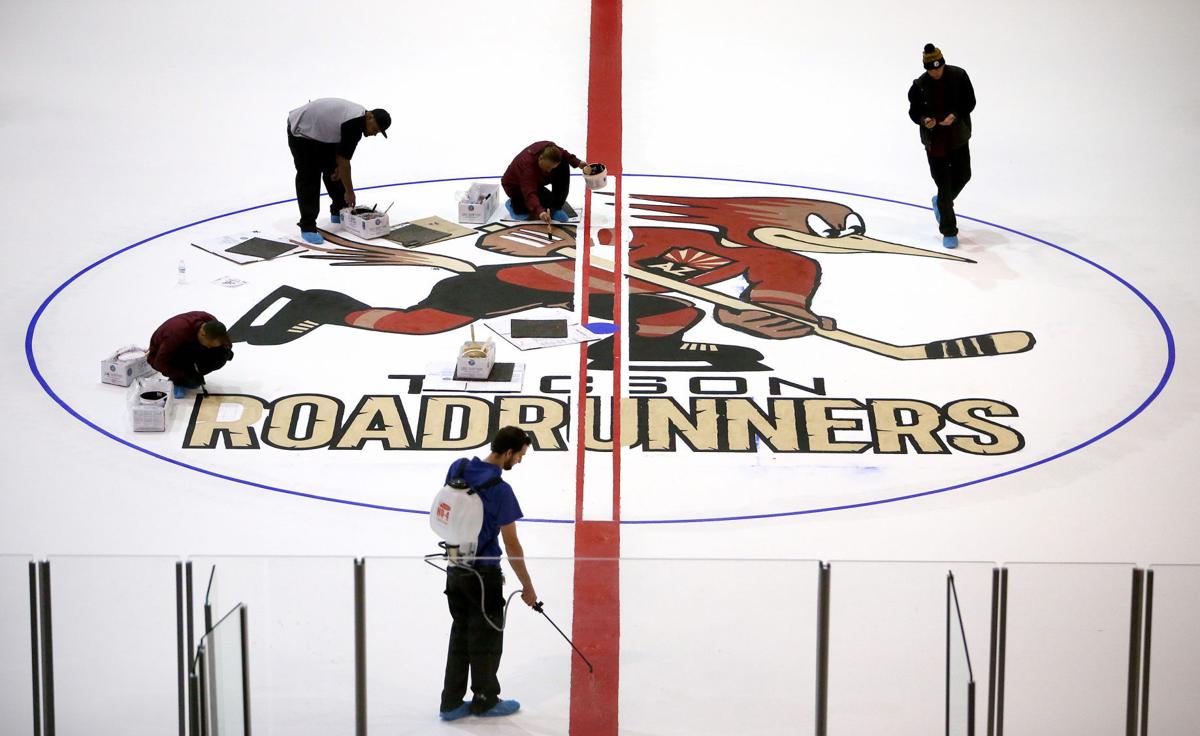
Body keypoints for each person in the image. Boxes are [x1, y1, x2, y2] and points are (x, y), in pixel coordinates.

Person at [439, 426, 537, 721]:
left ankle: (451, 703)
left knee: (460, 633)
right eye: (520, 455)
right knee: (487, 637)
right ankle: (485, 699)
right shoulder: (500, 490)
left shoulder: (460, 467)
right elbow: (512, 545)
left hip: (456, 567)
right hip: (485, 574)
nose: (519, 461)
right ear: (509, 452)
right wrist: (528, 587)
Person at [286, 98, 391, 245]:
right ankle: (307, 226)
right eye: (376, 129)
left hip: (321, 132)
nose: (375, 134)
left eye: (379, 132)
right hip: (302, 132)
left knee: (333, 170)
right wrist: (350, 192)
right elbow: (345, 163)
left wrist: (338, 167)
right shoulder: (354, 123)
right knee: (310, 176)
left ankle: (339, 210)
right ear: (370, 117)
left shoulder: (357, 123)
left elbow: (341, 158)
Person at [907, 43, 976, 249]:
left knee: (964, 175)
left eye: (938, 67)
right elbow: (913, 112)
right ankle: (949, 230)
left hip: (957, 137)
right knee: (944, 185)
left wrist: (955, 115)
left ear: (943, 64)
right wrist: (925, 119)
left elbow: (970, 101)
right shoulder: (918, 86)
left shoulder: (959, 76)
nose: (935, 72)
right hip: (935, 142)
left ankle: (940, 203)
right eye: (931, 69)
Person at [501, 141, 599, 223]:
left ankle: (556, 207)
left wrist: (578, 163)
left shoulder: (550, 149)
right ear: (540, 158)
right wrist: (541, 212)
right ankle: (513, 205)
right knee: (536, 205)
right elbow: (529, 193)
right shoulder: (528, 168)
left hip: (536, 180)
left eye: (551, 168)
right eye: (547, 168)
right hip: (517, 187)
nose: (549, 171)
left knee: (563, 163)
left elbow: (563, 153)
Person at [146, 312, 233, 398]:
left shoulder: (211, 322)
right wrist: (185, 374)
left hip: (189, 343)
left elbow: (223, 339)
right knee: (191, 382)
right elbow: (159, 363)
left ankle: (194, 371)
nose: (209, 347)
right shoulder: (176, 335)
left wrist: (227, 349)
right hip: (164, 353)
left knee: (221, 355)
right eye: (209, 345)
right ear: (202, 333)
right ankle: (178, 380)